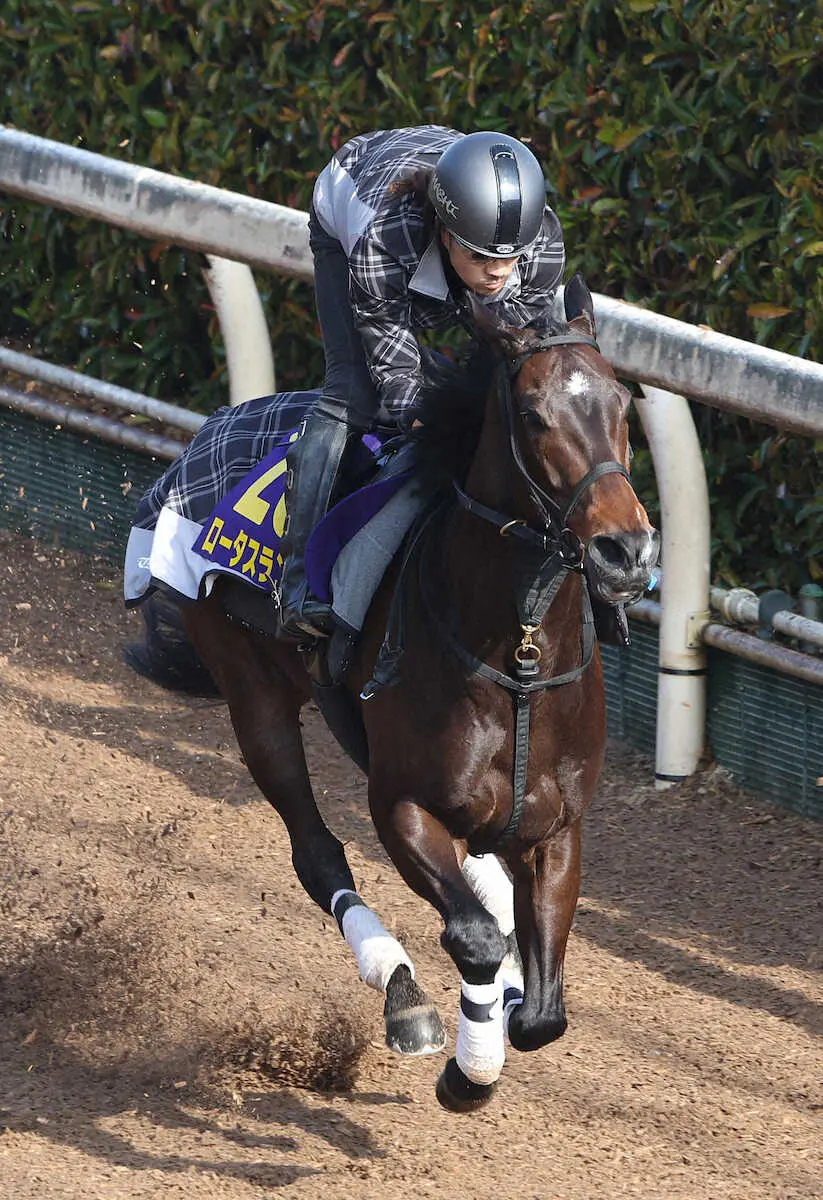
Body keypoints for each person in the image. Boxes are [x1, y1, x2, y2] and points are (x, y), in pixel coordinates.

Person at [276, 124, 567, 640]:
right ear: (447, 235)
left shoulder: (540, 241)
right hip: (352, 201)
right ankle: (298, 587)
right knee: (354, 396)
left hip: (442, 188)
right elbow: (397, 371)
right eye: (480, 258)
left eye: (509, 257)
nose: (498, 274)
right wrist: (423, 413)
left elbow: (524, 358)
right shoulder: (384, 238)